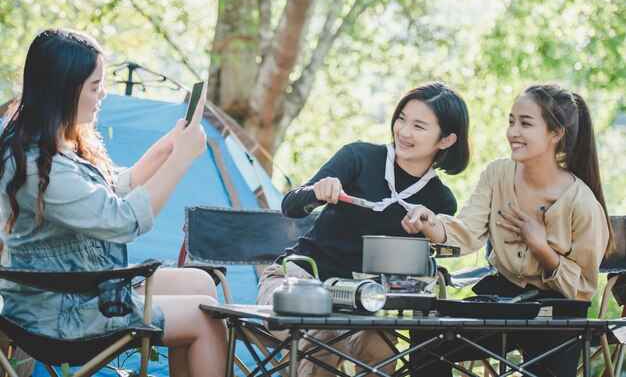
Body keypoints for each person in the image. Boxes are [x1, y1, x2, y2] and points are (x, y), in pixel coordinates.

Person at [0, 28, 227, 377]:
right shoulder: (35, 163)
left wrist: (168, 147)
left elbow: (113, 189)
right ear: (63, 89)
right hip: (61, 315)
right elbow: (121, 221)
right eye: (95, 86)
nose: (103, 94)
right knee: (208, 317)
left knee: (200, 284)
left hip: (77, 290)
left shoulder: (46, 142)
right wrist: (181, 159)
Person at [257, 82, 471, 376]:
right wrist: (317, 192)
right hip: (299, 281)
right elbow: (291, 206)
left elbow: (422, 267)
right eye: (401, 119)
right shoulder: (359, 157)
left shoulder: (439, 201)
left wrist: (428, 225)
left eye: (419, 126)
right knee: (324, 336)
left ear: (446, 140)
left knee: (380, 346)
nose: (404, 132)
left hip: (364, 300)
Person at [405, 83, 615, 377]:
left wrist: (541, 247)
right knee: (427, 339)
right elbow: (467, 232)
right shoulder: (497, 174)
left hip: (556, 314)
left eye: (525, 123)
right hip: (501, 302)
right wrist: (432, 224)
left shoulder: (583, 204)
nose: (513, 132)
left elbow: (582, 288)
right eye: (511, 121)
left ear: (556, 134)